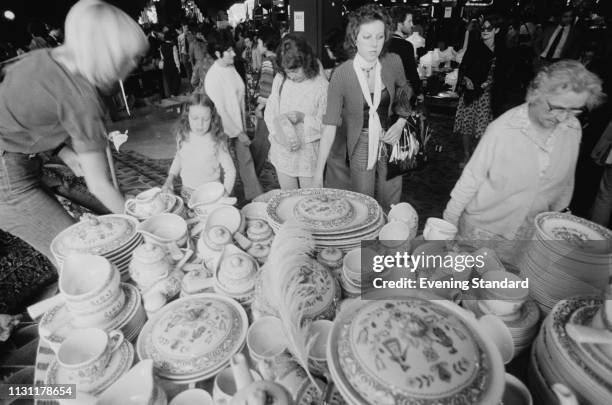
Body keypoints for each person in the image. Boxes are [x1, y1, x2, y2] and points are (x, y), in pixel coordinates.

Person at [0, 0, 148, 266]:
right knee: (81, 259)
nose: (133, 67)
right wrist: (144, 226)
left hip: (21, 153)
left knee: (93, 221)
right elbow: (99, 184)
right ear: (110, 55)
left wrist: (62, 150)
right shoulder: (82, 98)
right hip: (7, 174)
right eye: (132, 58)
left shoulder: (46, 56)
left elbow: (19, 112)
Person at [443, 61, 604, 262]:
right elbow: (471, 179)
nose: (564, 117)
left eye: (574, 110)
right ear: (536, 94)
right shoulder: (503, 130)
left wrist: (556, 222)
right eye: (557, 108)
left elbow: (566, 181)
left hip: (530, 233)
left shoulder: (572, 128)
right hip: (484, 231)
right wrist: (448, 224)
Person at [313, 4, 412, 211]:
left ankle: (388, 237)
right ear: (354, 38)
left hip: (391, 136)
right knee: (363, 200)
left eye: (379, 37)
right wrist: (317, 173)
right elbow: (329, 126)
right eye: (367, 37)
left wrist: (401, 121)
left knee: (390, 197)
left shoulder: (393, 62)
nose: (374, 44)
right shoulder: (342, 74)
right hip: (361, 140)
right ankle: (367, 242)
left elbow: (405, 90)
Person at [204, 29, 263, 200]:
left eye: (232, 49)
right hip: (222, 128)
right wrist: (239, 133)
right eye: (228, 50)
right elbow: (222, 111)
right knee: (224, 167)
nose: (233, 53)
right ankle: (220, 200)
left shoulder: (231, 67)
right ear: (217, 53)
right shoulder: (213, 77)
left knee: (246, 161)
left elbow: (238, 97)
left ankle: (256, 198)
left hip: (238, 124)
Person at [264, 34, 328, 189]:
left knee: (310, 201)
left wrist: (303, 118)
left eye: (295, 71)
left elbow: (327, 126)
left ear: (306, 62)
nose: (291, 76)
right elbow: (271, 109)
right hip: (283, 151)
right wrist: (276, 133)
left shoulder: (321, 86)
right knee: (288, 199)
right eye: (287, 72)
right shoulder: (281, 79)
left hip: (308, 155)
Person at [162, 93, 236, 200]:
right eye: (194, 118)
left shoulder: (217, 140)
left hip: (211, 194)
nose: (200, 124)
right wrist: (170, 179)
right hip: (187, 193)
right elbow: (179, 158)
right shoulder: (182, 135)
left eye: (205, 119)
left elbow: (230, 170)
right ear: (187, 116)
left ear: (212, 118)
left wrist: (225, 193)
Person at [453, 16, 502, 167]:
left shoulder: (501, 50)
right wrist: (466, 80)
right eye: (483, 29)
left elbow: (503, 74)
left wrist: (492, 84)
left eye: (489, 29)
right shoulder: (475, 46)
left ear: (496, 30)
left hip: (487, 94)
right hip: (470, 92)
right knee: (466, 126)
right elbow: (464, 67)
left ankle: (478, 156)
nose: (485, 31)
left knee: (483, 128)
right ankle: (467, 155)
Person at [251, 26, 281, 176]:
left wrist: (259, 107)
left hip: (267, 108)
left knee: (260, 143)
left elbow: (266, 88)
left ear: (266, 43)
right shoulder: (281, 59)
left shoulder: (268, 62)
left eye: (259, 42)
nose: (258, 46)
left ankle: (252, 177)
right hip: (279, 107)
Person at [388, 6, 423, 103]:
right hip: (401, 97)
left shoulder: (382, 43)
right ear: (399, 24)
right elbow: (412, 74)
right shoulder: (406, 46)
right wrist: (419, 92)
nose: (412, 25)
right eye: (409, 21)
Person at [160, 31, 181, 97]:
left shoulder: (161, 46)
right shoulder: (173, 46)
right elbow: (176, 57)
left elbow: (162, 57)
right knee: (175, 79)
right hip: (173, 65)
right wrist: (178, 66)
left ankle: (170, 94)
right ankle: (174, 94)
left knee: (168, 80)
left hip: (166, 65)